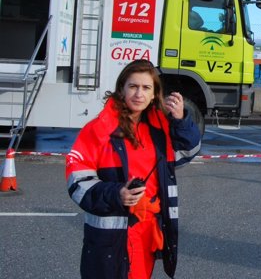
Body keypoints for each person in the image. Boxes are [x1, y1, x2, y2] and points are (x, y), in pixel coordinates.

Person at [65, 59, 201, 279]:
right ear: (122, 89)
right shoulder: (99, 129)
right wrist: (117, 194)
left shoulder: (160, 128)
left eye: (146, 88)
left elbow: (188, 151)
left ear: (154, 94)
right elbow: (76, 180)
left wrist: (180, 121)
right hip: (111, 236)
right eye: (133, 86)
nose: (139, 94)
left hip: (147, 233)